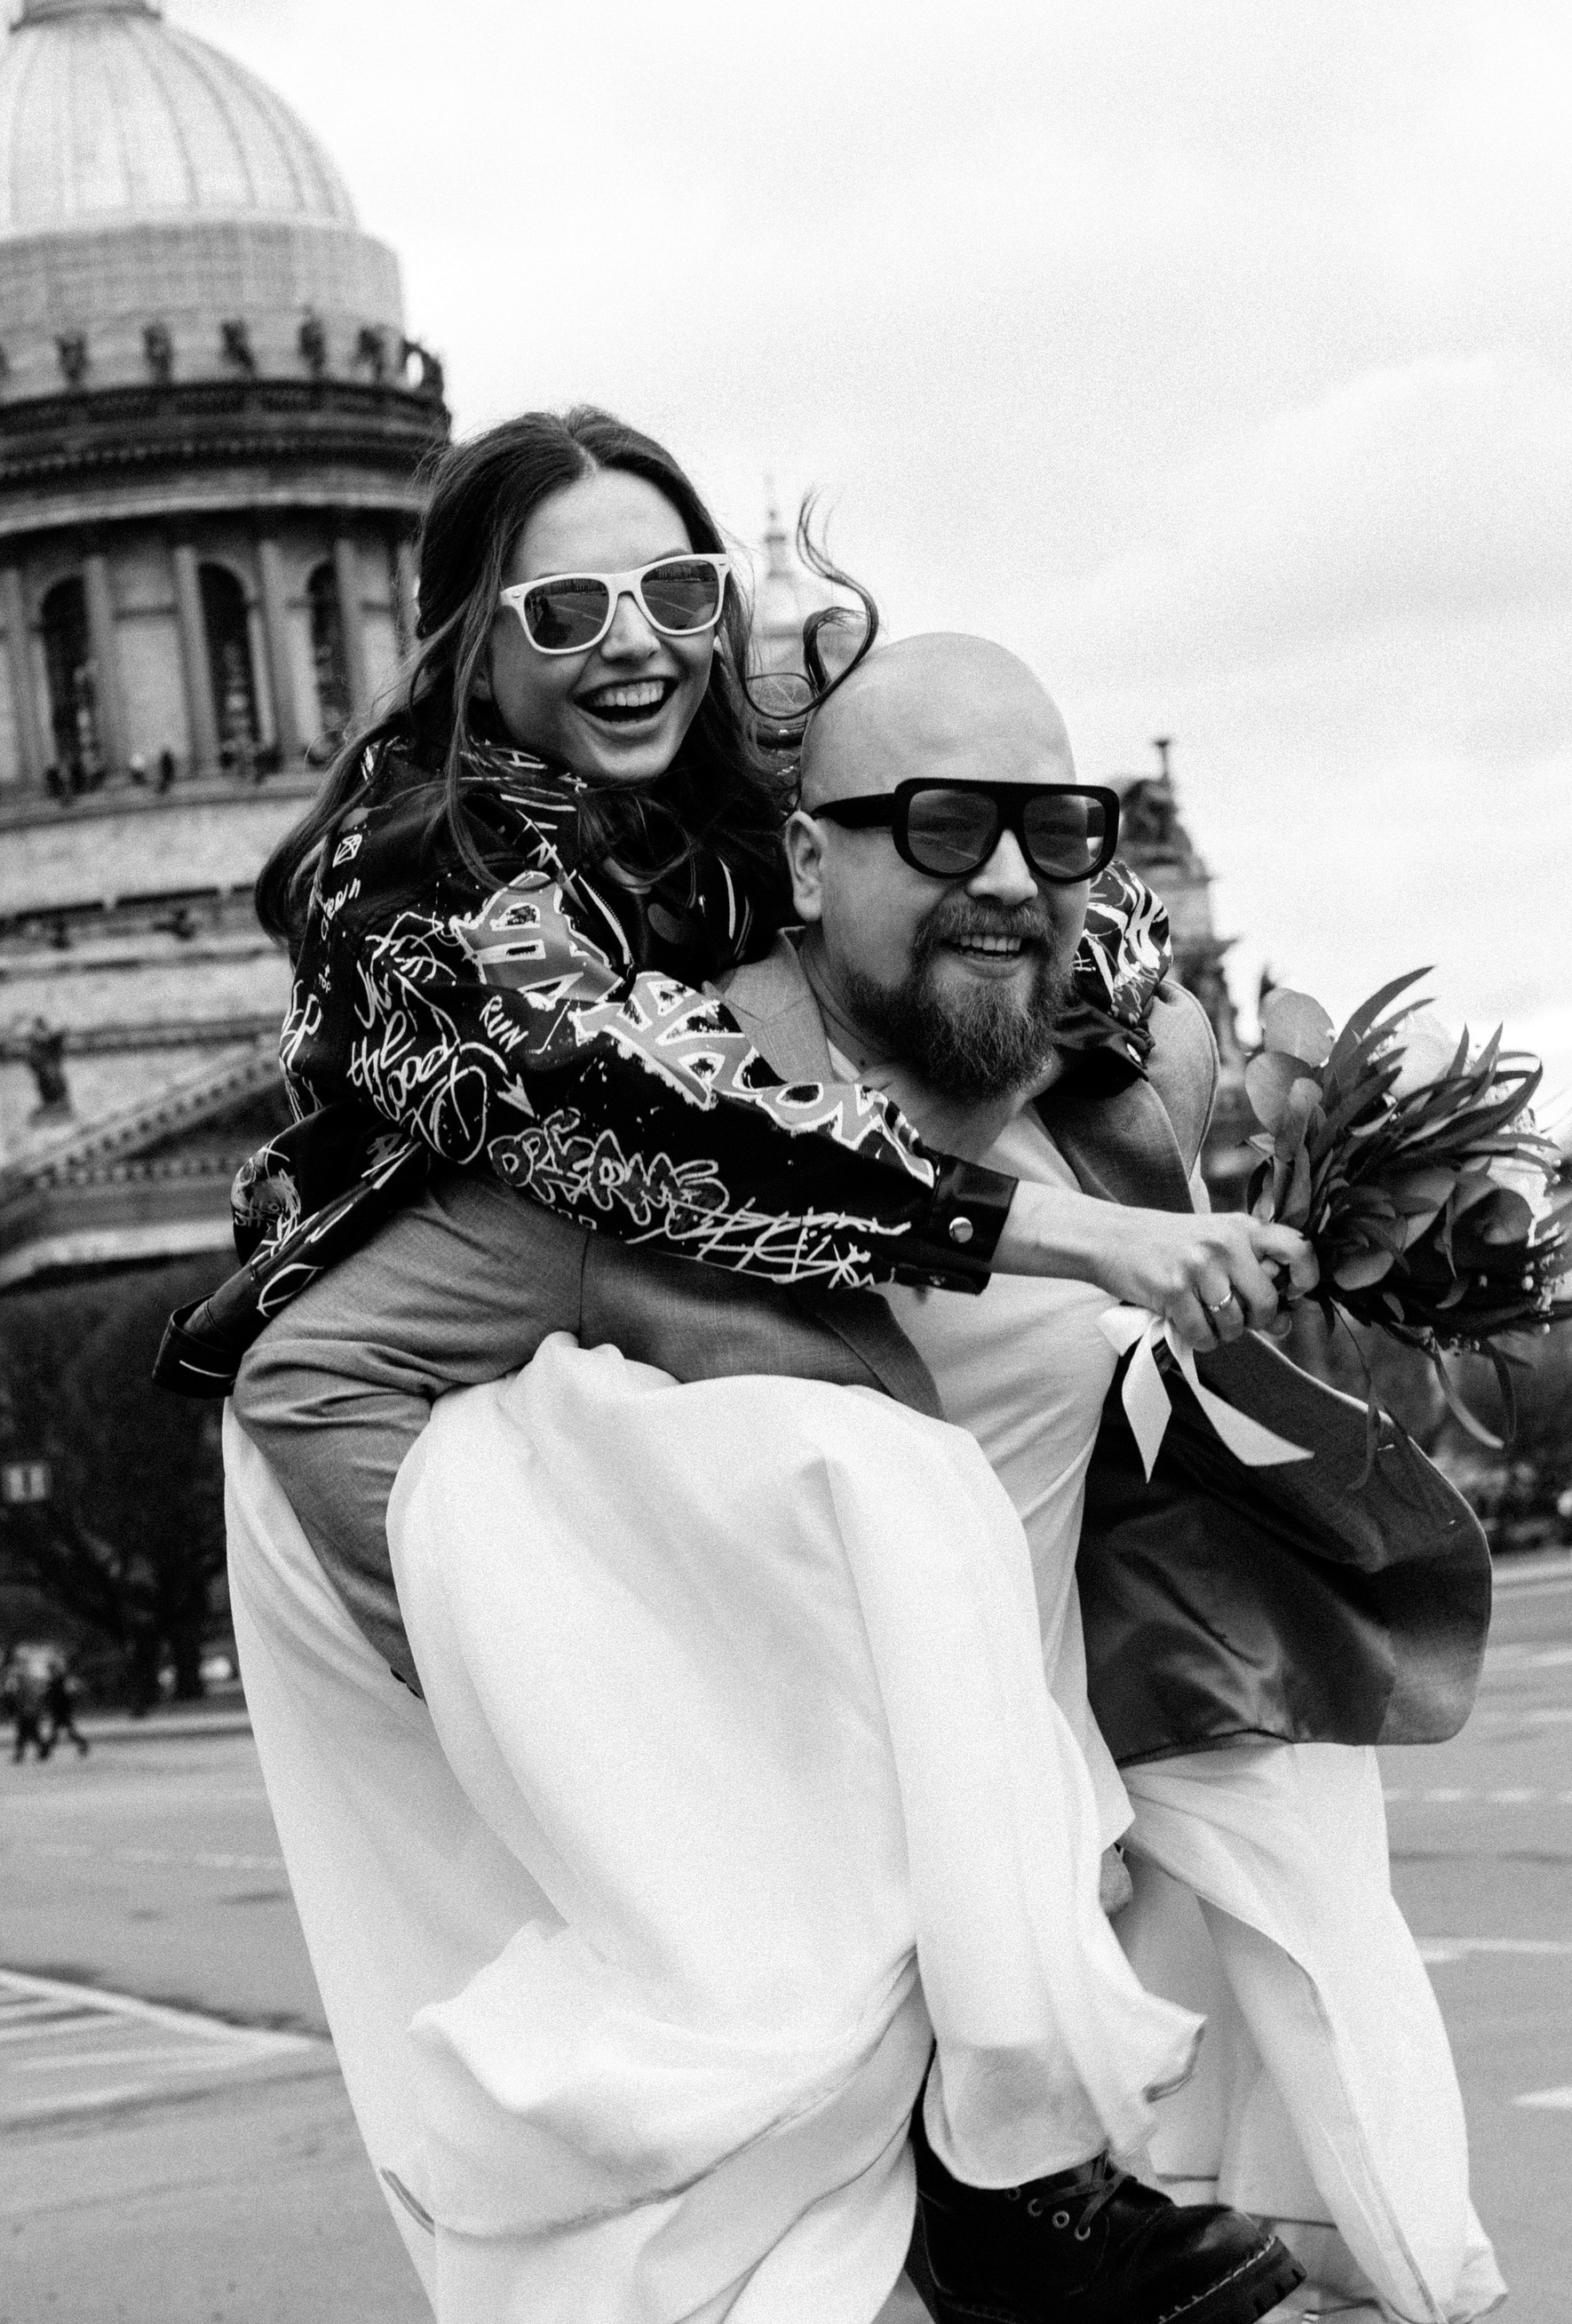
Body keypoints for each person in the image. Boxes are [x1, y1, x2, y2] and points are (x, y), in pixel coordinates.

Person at [210, 409, 1314, 2324]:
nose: (634, 643)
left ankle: (995, 2159)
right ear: (469, 635)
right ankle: (978, 2175)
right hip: (426, 1377)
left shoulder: (733, 803)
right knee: (781, 1750)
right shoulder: (409, 870)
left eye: (676, 590)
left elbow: (1036, 909)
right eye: (568, 609)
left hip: (639, 1307)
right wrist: (1087, 1234)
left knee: (914, 1602)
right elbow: (661, 1122)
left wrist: (956, 831)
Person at [782, 640, 1505, 2324]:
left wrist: (1314, 1245)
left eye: (1054, 828)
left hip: (1113, 1762)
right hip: (864, 1874)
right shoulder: (717, 1122)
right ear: (806, 856)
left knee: (1343, 2165)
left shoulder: (1125, 1067)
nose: (1005, 875)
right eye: (942, 825)